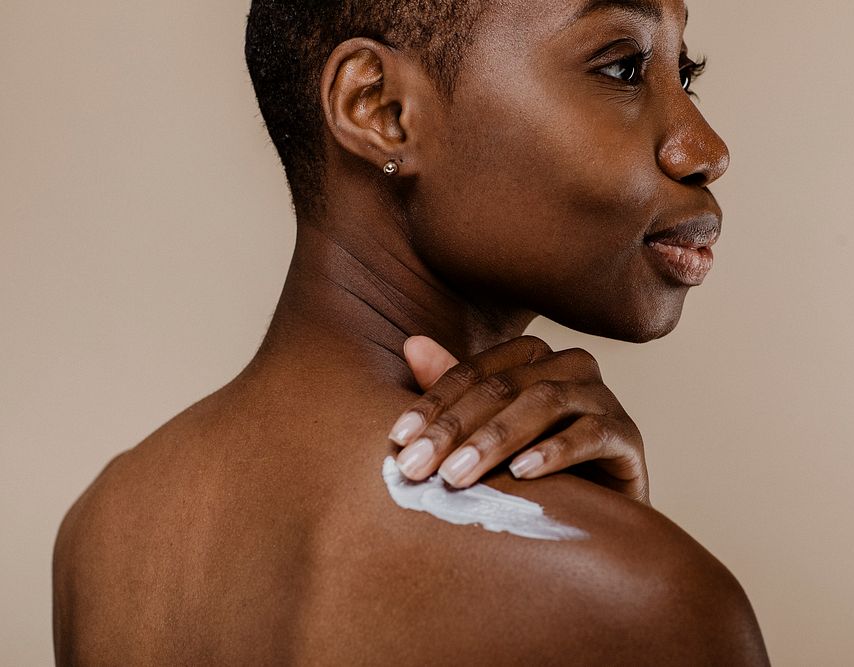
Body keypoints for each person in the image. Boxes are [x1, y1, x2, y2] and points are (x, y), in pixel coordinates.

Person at [53, 0, 769, 663]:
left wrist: (614, 530)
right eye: (622, 67)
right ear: (381, 109)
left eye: (686, 74)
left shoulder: (103, 533)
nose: (704, 149)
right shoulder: (651, 598)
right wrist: (633, 569)